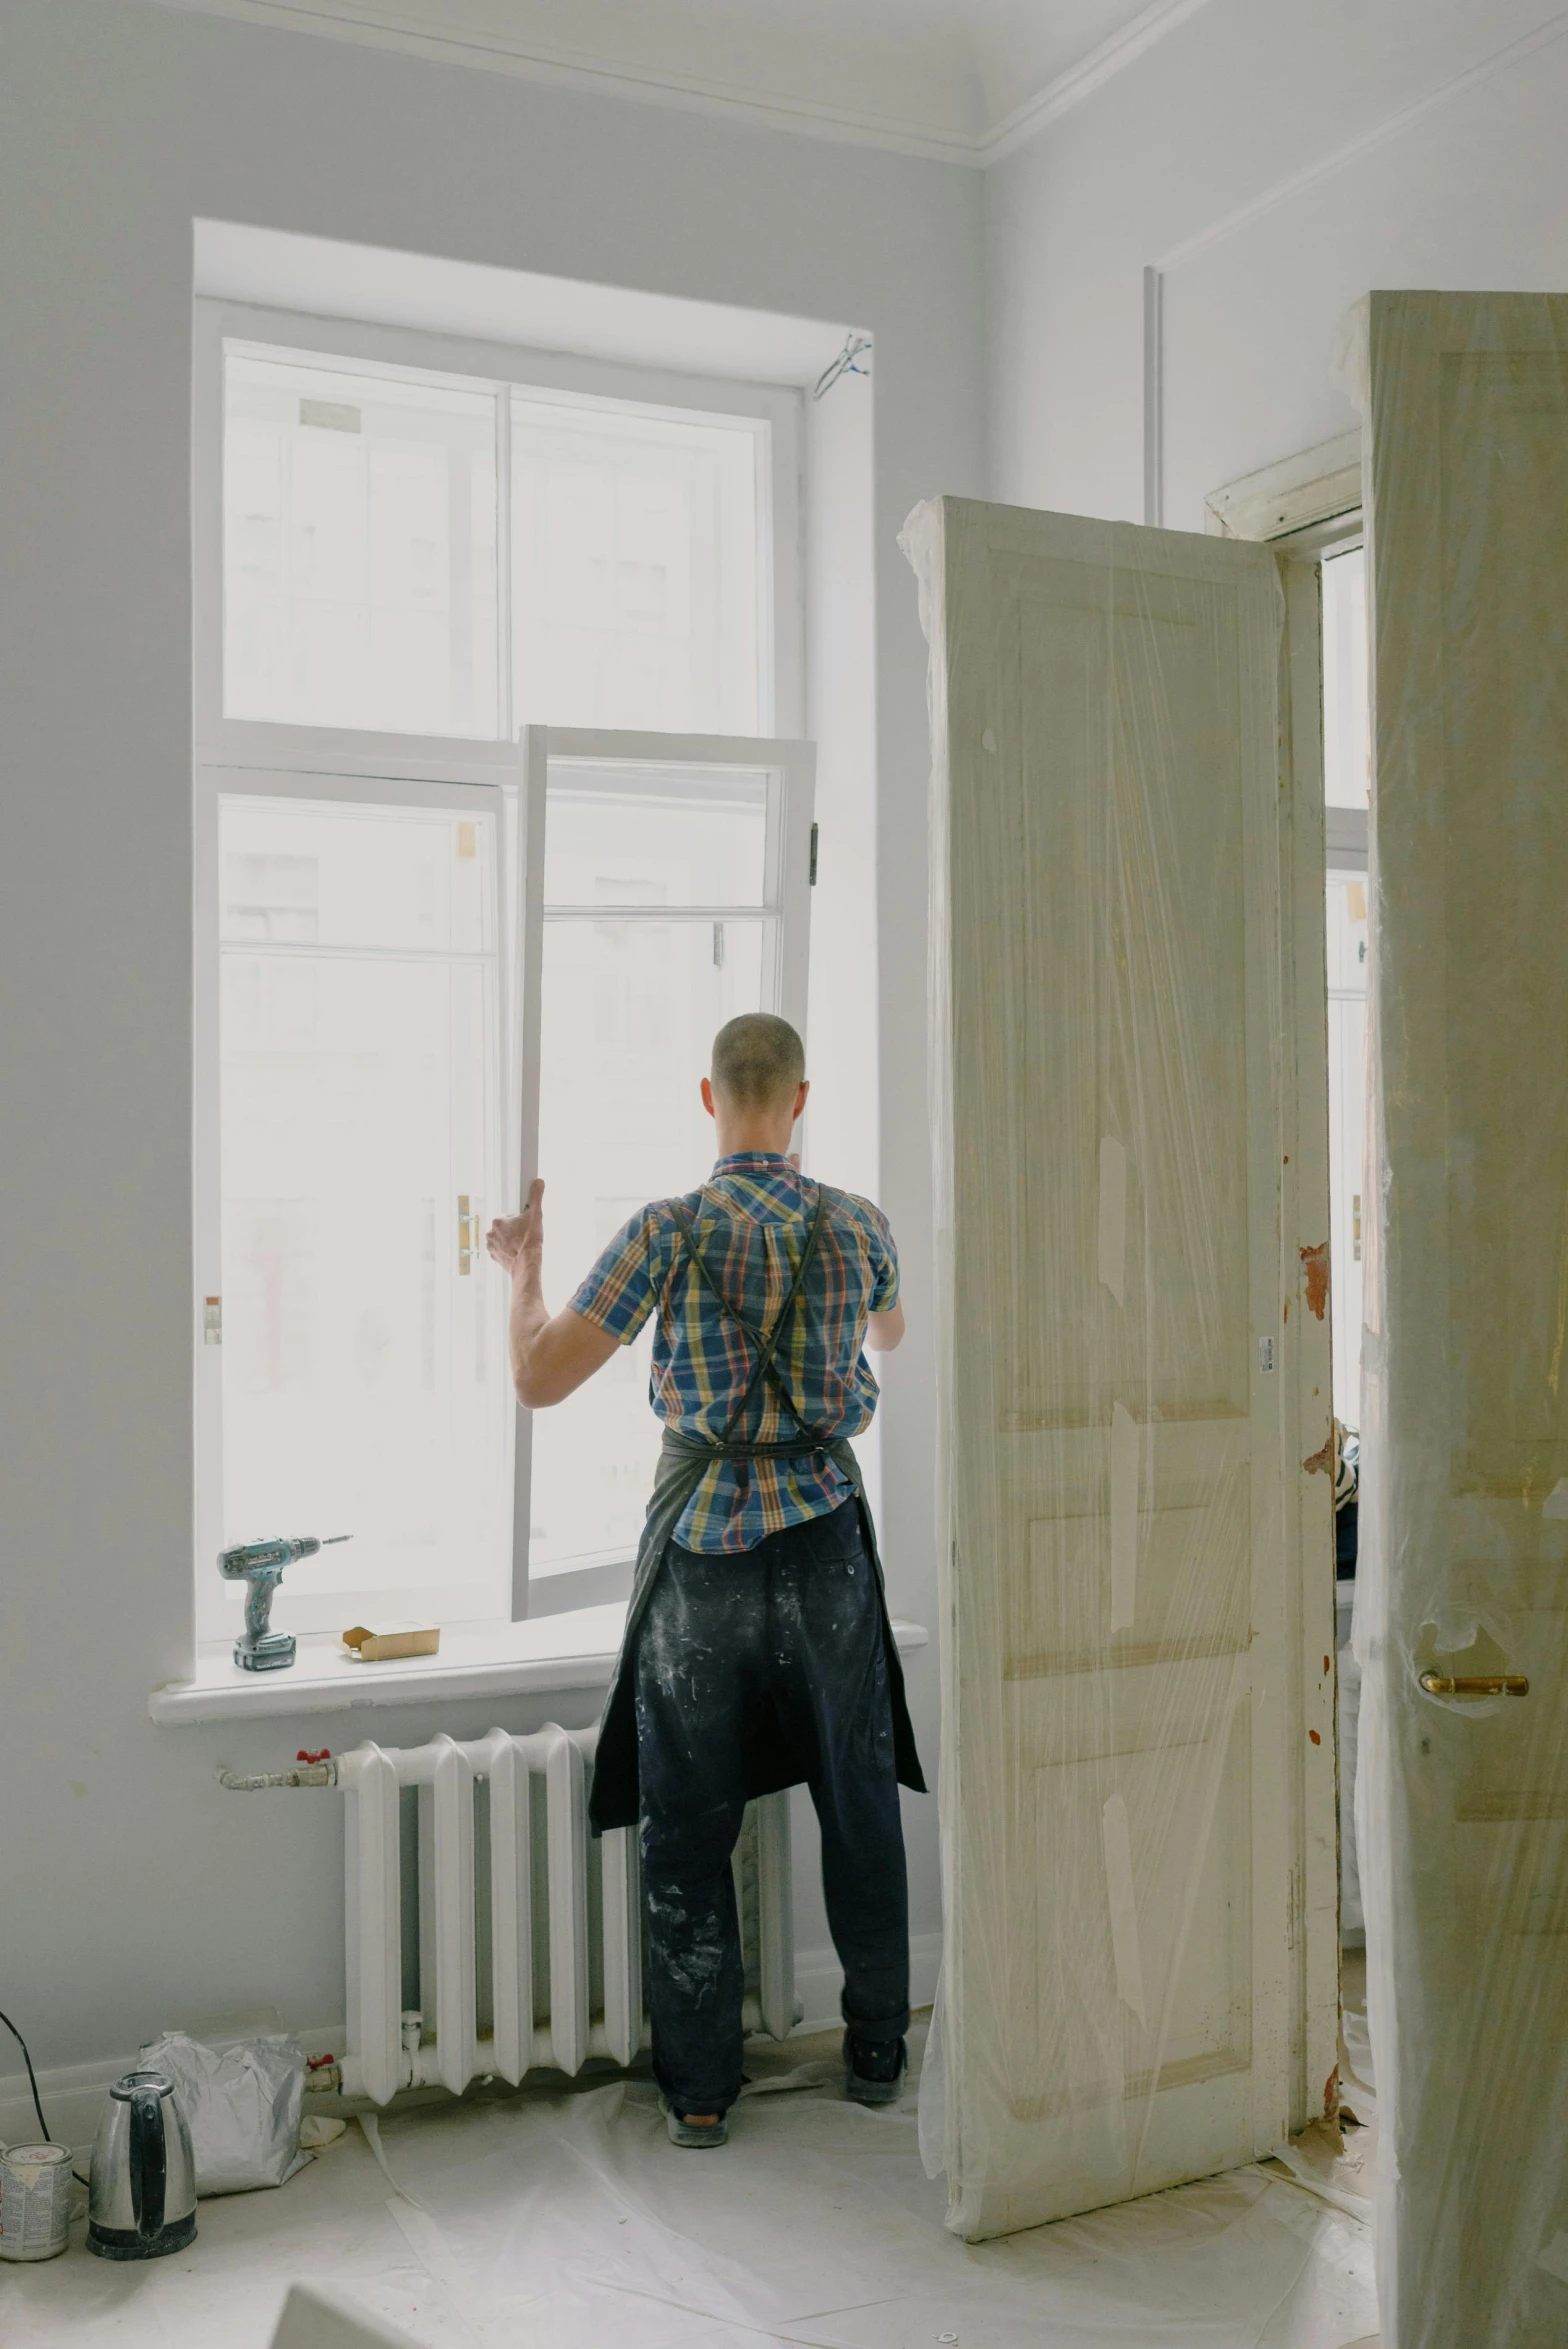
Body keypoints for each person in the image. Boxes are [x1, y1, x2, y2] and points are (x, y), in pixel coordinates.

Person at [486, 1012, 924, 2148]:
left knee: (688, 1823)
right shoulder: (855, 1222)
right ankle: (875, 2049)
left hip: (706, 1558)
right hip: (824, 1538)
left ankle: (697, 2093)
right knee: (857, 1796)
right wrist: (853, 1316)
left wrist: (522, 1273)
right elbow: (892, 1333)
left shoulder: (664, 1233)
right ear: (800, 1097)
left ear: (707, 1096)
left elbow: (537, 1379)